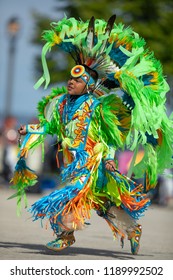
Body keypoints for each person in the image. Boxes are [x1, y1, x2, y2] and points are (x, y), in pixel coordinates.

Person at [10, 15, 173, 255]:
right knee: (103, 205)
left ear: (87, 84)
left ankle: (65, 235)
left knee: (70, 195)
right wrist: (30, 129)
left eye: (77, 80)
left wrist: (108, 157)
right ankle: (133, 230)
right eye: (70, 78)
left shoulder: (98, 107)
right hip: (72, 164)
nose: (70, 82)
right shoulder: (62, 104)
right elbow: (52, 126)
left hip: (92, 164)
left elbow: (110, 136)